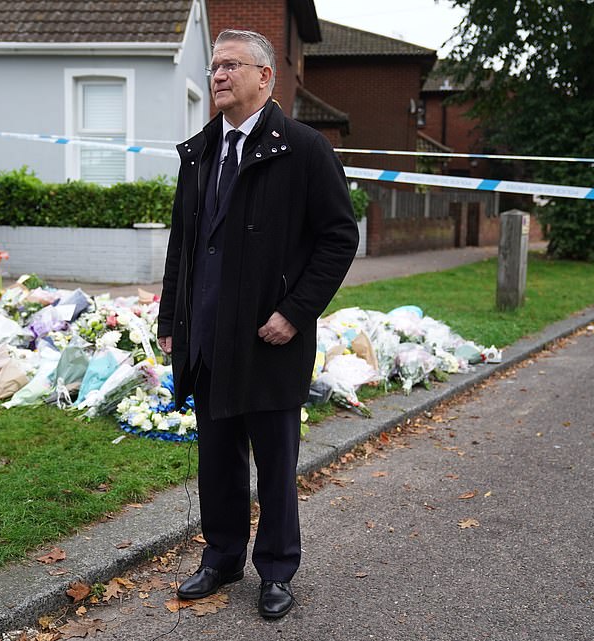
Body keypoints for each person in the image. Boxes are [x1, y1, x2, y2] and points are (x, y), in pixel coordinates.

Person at [157, 29, 359, 620]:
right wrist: (173, 316)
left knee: (274, 462)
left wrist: (295, 313)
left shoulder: (303, 148)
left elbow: (338, 237)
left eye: (230, 66)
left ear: (265, 77)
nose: (218, 75)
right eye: (214, 65)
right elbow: (183, 246)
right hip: (208, 337)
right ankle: (221, 558)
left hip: (270, 341)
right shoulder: (199, 153)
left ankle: (275, 569)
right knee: (217, 460)